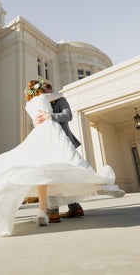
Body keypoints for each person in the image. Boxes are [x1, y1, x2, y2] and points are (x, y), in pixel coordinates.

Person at [0, 79, 124, 236]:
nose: (49, 90)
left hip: (59, 138)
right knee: (51, 171)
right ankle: (55, 210)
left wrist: (49, 117)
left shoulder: (37, 103)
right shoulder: (47, 99)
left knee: (60, 169)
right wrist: (45, 119)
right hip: (48, 138)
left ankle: (71, 205)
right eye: (46, 88)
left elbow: (67, 115)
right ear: (42, 90)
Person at [35, 82, 84, 223]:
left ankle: (52, 212)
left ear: (50, 90)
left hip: (63, 142)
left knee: (53, 174)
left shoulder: (61, 100)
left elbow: (68, 116)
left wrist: (49, 116)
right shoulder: (42, 103)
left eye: (44, 91)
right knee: (61, 176)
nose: (43, 95)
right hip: (50, 142)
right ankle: (75, 208)